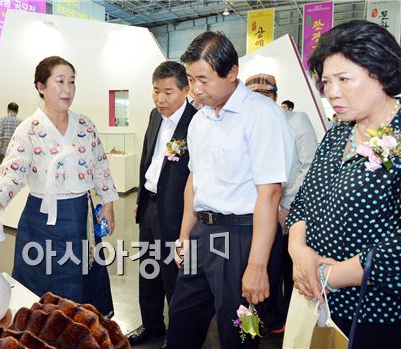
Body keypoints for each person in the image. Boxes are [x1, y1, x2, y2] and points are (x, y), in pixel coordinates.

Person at [166, 31, 294, 349]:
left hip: (243, 239)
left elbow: (270, 194)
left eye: (204, 80)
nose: (195, 89)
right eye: (191, 79)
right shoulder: (200, 121)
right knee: (182, 321)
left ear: (232, 72)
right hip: (202, 235)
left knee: (239, 334)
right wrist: (185, 235)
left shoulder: (262, 116)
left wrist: (257, 266)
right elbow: (194, 181)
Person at [0, 56, 118, 316]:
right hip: (42, 219)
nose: (67, 89)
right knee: (41, 280)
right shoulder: (29, 129)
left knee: (82, 277)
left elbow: (100, 165)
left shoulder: (86, 125)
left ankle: (78, 331)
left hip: (81, 214)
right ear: (41, 86)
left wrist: (109, 203)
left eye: (71, 81)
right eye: (59, 81)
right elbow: (14, 169)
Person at [287, 20, 401, 348]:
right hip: (319, 300)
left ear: (381, 72)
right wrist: (298, 251)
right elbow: (306, 198)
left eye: (344, 79)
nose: (332, 92)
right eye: (326, 81)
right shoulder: (339, 131)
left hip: (376, 312)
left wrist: (330, 276)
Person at [126, 62, 197, 348]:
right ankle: (153, 326)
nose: (160, 99)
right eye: (156, 91)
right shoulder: (155, 116)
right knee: (149, 271)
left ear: (185, 89)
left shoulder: (196, 121)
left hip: (177, 214)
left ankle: (178, 336)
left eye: (168, 92)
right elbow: (148, 158)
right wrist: (141, 198)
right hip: (150, 207)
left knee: (175, 278)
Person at [245, 73, 319, 332]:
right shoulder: (246, 124)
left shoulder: (296, 120)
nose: (260, 101)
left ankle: (284, 318)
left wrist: (288, 205)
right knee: (263, 264)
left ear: (275, 96)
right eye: (253, 96)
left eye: (265, 95)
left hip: (290, 209)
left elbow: (310, 165)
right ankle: (263, 316)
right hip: (255, 210)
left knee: (287, 265)